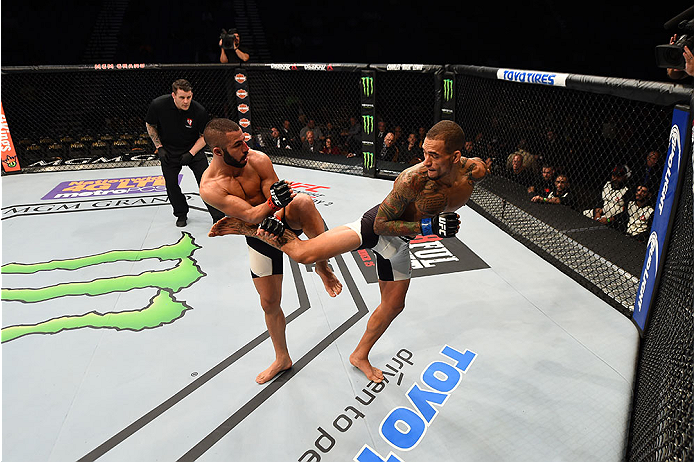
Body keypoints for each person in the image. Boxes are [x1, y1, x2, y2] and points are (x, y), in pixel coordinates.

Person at [208, 120, 488, 383]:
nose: (426, 162)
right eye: (424, 153)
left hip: (400, 241)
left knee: (394, 305)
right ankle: (249, 232)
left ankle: (359, 355)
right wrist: (428, 226)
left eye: (435, 156)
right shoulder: (411, 179)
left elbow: (276, 197)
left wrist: (425, 226)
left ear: (456, 157)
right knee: (304, 254)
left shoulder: (474, 171)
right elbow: (381, 224)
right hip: (375, 228)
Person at [198, 118, 342, 384]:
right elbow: (251, 215)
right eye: (237, 145)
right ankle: (282, 358)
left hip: (281, 218)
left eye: (244, 140)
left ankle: (322, 266)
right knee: (269, 303)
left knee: (303, 201)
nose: (246, 147)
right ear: (218, 152)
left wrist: (274, 210)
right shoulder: (210, 187)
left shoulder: (259, 159)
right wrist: (268, 209)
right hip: (256, 234)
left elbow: (275, 198)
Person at [145, 79, 225, 227]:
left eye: (189, 97)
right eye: (182, 97)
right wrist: (159, 147)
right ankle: (181, 213)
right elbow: (150, 124)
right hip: (169, 150)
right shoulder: (158, 105)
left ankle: (218, 215)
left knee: (206, 182)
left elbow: (205, 136)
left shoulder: (198, 111)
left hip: (193, 148)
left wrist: (191, 153)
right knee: (171, 185)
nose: (186, 101)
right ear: (173, 95)